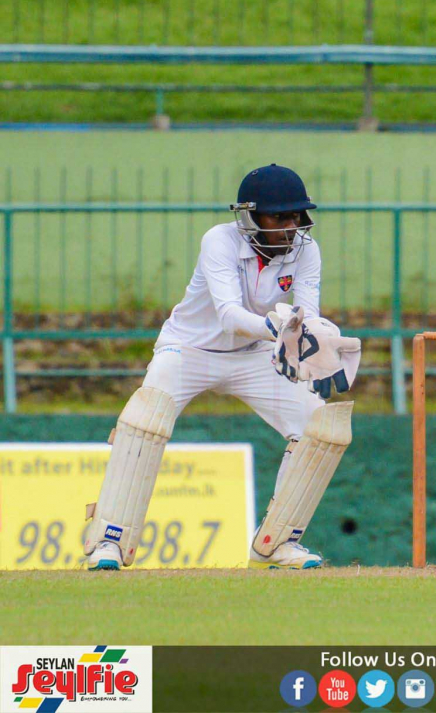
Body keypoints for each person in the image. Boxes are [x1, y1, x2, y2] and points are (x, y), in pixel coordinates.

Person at [82, 164, 361, 572]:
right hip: (189, 349)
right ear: (251, 216)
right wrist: (279, 328)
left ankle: (276, 543)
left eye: (296, 215)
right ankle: (109, 540)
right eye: (279, 217)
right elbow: (229, 315)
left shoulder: (307, 250)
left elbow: (307, 315)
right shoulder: (220, 240)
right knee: (144, 422)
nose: (291, 226)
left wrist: (316, 340)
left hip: (254, 355)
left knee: (321, 427)